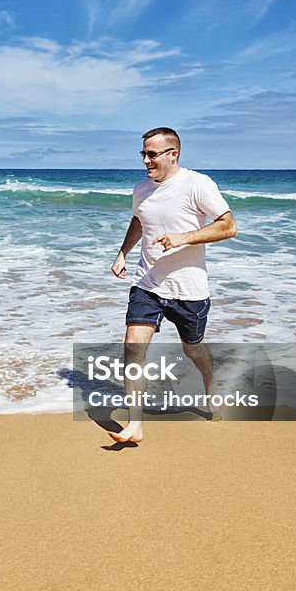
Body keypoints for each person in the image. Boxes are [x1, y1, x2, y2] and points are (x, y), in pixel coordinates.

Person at [108, 127, 237, 444]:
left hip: (188, 289)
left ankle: (210, 382)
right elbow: (140, 219)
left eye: (152, 154)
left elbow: (228, 225)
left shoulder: (197, 184)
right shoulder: (141, 189)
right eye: (143, 154)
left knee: (193, 349)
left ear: (172, 154)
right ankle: (135, 424)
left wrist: (183, 238)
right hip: (147, 282)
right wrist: (123, 252)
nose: (146, 161)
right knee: (132, 346)